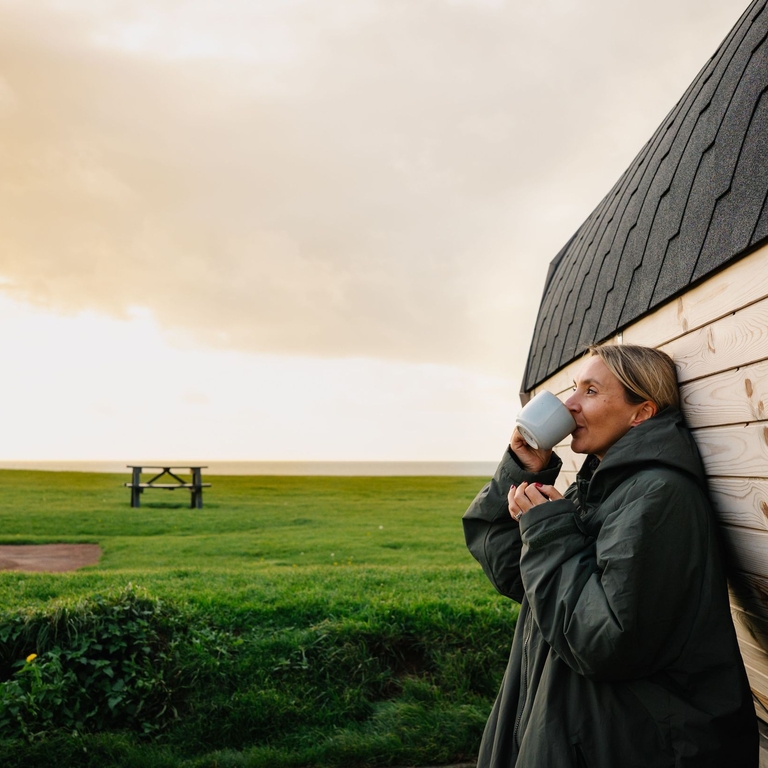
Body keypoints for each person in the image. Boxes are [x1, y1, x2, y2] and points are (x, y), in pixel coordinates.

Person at [463, 344, 758, 767]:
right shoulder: (599, 489)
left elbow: (605, 638)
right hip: (574, 723)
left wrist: (548, 530)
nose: (569, 405)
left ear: (640, 413)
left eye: (590, 391)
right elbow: (516, 576)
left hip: (626, 743)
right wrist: (523, 470)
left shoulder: (660, 496)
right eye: (573, 390)